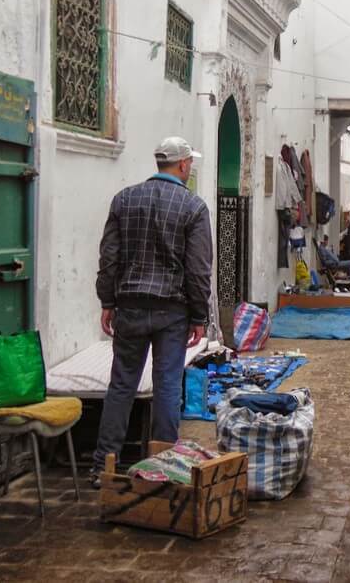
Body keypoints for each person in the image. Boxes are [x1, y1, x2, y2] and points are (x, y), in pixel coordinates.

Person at [93, 137, 212, 488]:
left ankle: (104, 466)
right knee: (167, 386)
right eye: (190, 163)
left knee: (121, 386)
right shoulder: (192, 207)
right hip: (171, 312)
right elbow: (198, 269)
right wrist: (199, 315)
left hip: (129, 306)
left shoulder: (124, 199)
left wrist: (107, 301)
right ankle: (163, 468)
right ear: (184, 165)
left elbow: (109, 256)